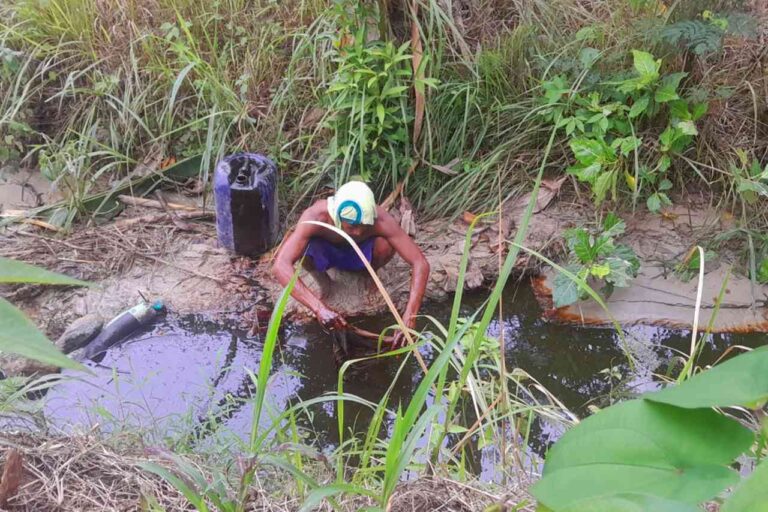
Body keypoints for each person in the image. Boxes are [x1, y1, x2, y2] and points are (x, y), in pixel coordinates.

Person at [272, 181, 429, 348]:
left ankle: (368, 275)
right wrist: (319, 308)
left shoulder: (381, 219)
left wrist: (410, 315)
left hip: (362, 254)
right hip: (328, 254)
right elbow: (280, 266)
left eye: (365, 226)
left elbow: (420, 263)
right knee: (301, 246)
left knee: (386, 245)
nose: (359, 232)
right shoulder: (315, 217)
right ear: (337, 216)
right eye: (352, 226)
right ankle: (323, 282)